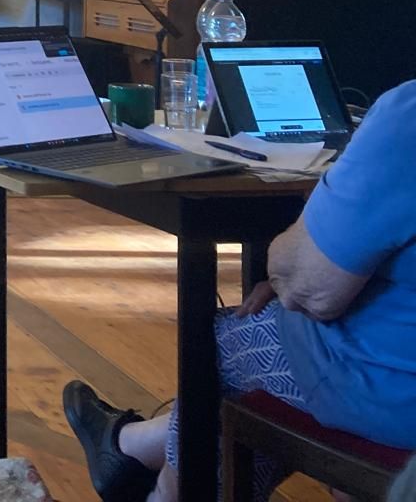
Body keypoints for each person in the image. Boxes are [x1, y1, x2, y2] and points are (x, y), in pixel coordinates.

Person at [63, 81, 416, 502]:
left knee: (227, 339)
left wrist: (290, 274)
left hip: (396, 401)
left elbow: (308, 289)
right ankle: (127, 446)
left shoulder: (406, 116)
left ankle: (155, 481)